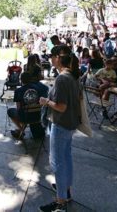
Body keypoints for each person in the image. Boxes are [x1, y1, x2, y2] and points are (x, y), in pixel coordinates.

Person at [39, 45, 81, 212]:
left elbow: (61, 106)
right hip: (70, 124)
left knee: (57, 162)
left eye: (52, 56)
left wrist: (46, 101)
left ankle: (60, 202)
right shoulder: (73, 75)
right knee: (66, 157)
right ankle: (66, 191)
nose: (50, 59)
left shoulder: (62, 78)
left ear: (57, 58)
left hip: (61, 123)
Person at [7, 72, 48, 139]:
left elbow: (18, 108)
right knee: (26, 111)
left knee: (10, 111)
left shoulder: (18, 91)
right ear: (31, 79)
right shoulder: (38, 89)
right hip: (37, 116)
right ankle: (21, 130)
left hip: (24, 117)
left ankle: (21, 130)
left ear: (21, 80)